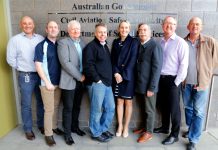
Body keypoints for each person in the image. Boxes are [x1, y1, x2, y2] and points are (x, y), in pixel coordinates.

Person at [182, 17, 218, 150]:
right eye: (192, 24)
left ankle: (193, 139)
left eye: (197, 24)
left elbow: (215, 61)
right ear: (188, 26)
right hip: (186, 84)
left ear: (201, 27)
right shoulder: (183, 42)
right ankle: (192, 130)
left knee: (198, 111)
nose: (195, 27)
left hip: (201, 85)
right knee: (188, 108)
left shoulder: (210, 41)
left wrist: (205, 78)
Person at [6, 16, 44, 140]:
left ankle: (41, 125)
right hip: (25, 76)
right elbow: (10, 59)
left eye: (30, 23)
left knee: (41, 101)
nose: (27, 25)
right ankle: (28, 129)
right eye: (25, 23)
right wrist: (22, 68)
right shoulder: (15, 40)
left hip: (40, 75)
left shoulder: (40, 38)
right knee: (26, 104)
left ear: (33, 24)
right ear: (21, 25)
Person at [154, 16, 189, 145]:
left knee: (174, 108)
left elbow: (184, 65)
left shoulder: (180, 43)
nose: (169, 26)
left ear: (175, 26)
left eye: (172, 24)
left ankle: (174, 135)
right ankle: (164, 127)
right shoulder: (161, 41)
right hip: (161, 79)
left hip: (173, 80)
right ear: (163, 26)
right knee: (163, 105)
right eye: (167, 24)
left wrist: (176, 82)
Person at [83, 23, 115, 142]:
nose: (102, 34)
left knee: (110, 107)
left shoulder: (105, 46)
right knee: (96, 110)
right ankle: (95, 133)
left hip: (107, 84)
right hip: (97, 84)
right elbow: (88, 66)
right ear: (95, 33)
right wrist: (98, 79)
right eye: (100, 32)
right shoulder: (91, 47)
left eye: (104, 32)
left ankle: (102, 129)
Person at [34, 21, 64, 146]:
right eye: (50, 27)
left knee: (56, 107)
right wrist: (47, 82)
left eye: (55, 27)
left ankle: (54, 127)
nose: (53, 29)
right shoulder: (41, 46)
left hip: (59, 83)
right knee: (49, 109)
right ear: (46, 30)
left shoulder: (59, 45)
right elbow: (38, 65)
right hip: (47, 83)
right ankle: (48, 134)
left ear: (58, 30)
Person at [57, 20, 86, 145]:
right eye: (73, 29)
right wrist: (80, 77)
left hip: (81, 82)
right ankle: (67, 134)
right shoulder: (63, 43)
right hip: (69, 81)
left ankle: (75, 127)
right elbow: (66, 63)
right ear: (69, 31)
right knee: (68, 108)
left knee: (77, 106)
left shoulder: (82, 43)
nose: (76, 31)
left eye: (78, 29)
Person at [133, 23, 163, 143]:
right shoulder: (140, 45)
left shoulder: (155, 46)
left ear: (150, 32)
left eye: (145, 30)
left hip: (149, 86)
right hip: (140, 85)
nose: (142, 32)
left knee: (150, 110)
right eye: (140, 30)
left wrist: (152, 87)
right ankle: (144, 127)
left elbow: (157, 69)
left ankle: (149, 132)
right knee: (143, 108)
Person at [111, 20, 138, 138]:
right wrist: (116, 73)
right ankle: (120, 125)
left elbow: (133, 60)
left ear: (129, 28)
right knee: (119, 101)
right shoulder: (115, 42)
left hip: (128, 77)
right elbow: (112, 59)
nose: (124, 30)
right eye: (122, 27)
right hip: (117, 77)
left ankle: (126, 126)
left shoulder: (134, 41)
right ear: (118, 29)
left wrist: (123, 75)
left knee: (128, 102)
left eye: (126, 27)